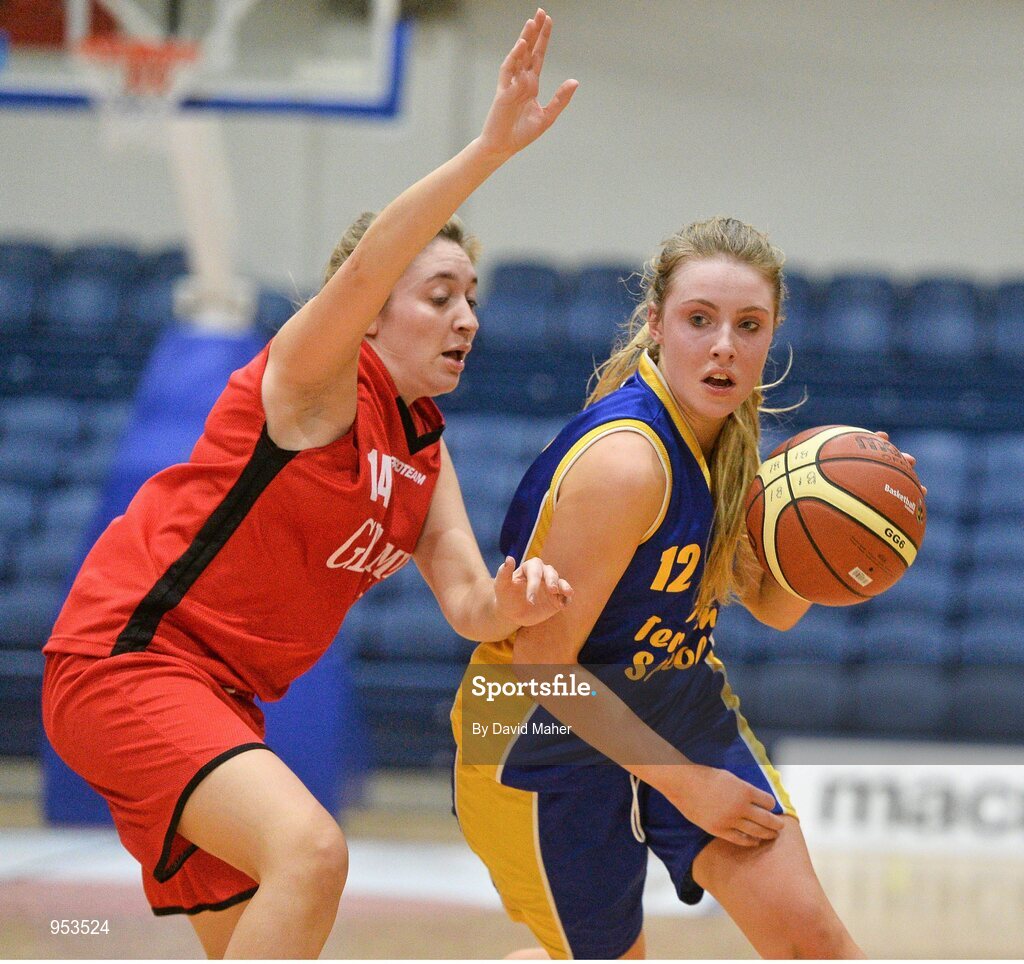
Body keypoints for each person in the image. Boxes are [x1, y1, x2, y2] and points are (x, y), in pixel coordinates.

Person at [41, 10, 577, 959]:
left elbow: (465, 603)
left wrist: (515, 599)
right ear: (371, 315)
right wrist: (489, 150)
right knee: (313, 851)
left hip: (224, 703)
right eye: (439, 294)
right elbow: (373, 261)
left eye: (473, 299)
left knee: (254, 934)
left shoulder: (426, 452)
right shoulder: (315, 379)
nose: (467, 318)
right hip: (131, 661)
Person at [452, 217, 906, 959]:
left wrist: (849, 539)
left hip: (669, 696)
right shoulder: (629, 463)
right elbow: (541, 661)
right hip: (533, 723)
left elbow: (774, 608)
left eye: (748, 325)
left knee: (815, 943)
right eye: (701, 320)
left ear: (771, 335)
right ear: (656, 324)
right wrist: (688, 785)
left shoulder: (728, 434)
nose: (725, 343)